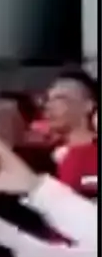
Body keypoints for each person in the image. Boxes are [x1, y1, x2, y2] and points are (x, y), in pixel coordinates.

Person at [44, 69, 99, 197]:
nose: (49, 106)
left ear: (88, 106)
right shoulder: (42, 158)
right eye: (48, 99)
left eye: (60, 99)